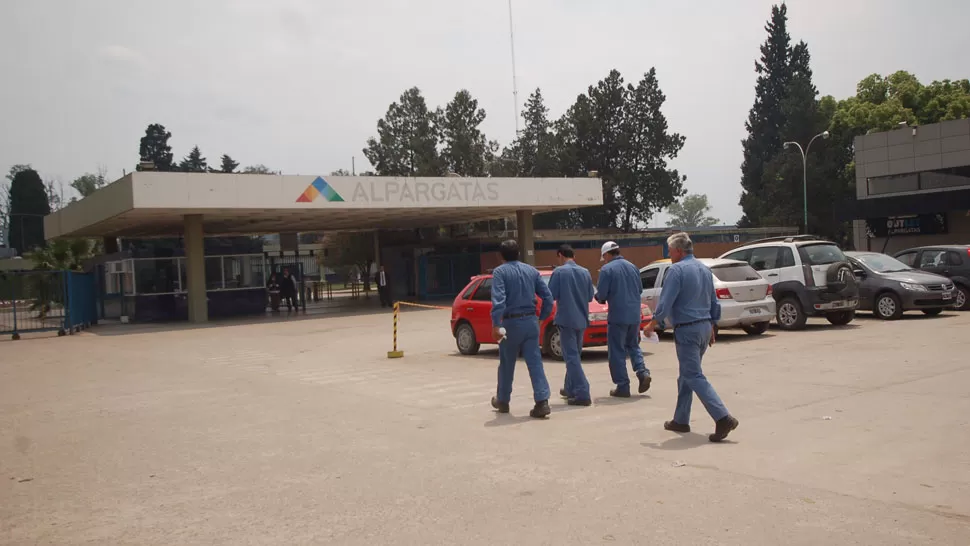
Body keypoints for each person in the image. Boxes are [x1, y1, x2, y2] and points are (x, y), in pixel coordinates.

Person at [645, 232, 738, 443]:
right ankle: (681, 419)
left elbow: (666, 301)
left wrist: (653, 323)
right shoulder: (704, 270)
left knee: (693, 375)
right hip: (704, 326)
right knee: (686, 374)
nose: (669, 255)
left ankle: (722, 417)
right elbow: (713, 301)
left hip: (687, 329)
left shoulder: (676, 270)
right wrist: (712, 325)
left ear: (678, 251)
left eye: (670, 251)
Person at [489, 239, 554, 419]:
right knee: (535, 362)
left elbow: (499, 300)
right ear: (519, 253)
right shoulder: (531, 271)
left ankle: (503, 400)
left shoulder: (500, 272)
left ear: (500, 255)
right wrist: (541, 318)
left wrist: (496, 323)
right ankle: (542, 401)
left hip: (510, 324)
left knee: (507, 364)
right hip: (531, 322)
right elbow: (548, 298)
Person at [595, 240, 651, 398]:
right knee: (633, 346)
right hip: (634, 315)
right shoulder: (633, 267)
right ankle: (642, 372)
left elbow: (602, 295)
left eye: (603, 257)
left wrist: (598, 298)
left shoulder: (607, 269)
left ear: (606, 254)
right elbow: (639, 289)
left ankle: (622, 385)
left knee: (617, 351)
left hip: (618, 316)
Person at [548, 244, 594, 406]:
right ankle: (570, 388)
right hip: (581, 320)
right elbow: (590, 297)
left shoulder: (559, 272)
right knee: (574, 356)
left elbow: (551, 295)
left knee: (571, 357)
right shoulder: (585, 272)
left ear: (560, 255)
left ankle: (582, 392)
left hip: (566, 320)